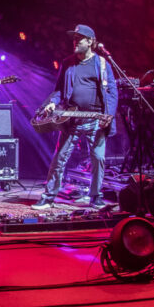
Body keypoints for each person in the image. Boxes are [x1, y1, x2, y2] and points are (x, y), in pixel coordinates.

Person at [33, 24, 118, 210]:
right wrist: (52, 102)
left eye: (80, 38)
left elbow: (112, 92)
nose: (75, 41)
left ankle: (95, 196)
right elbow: (58, 90)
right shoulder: (68, 63)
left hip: (96, 119)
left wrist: (109, 115)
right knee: (60, 157)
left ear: (90, 42)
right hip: (71, 118)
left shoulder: (102, 64)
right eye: (74, 38)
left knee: (98, 158)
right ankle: (48, 197)